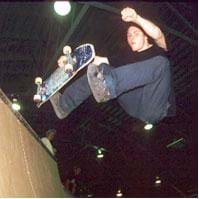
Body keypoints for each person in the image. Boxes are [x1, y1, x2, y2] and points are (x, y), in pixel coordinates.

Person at [50, 7, 175, 124]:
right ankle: (63, 105)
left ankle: (108, 86)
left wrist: (136, 19)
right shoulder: (125, 58)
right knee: (101, 69)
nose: (131, 37)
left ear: (146, 37)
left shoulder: (158, 50)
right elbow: (95, 60)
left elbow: (158, 35)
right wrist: (71, 60)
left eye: (136, 33)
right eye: (129, 35)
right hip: (132, 103)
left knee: (162, 63)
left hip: (154, 105)